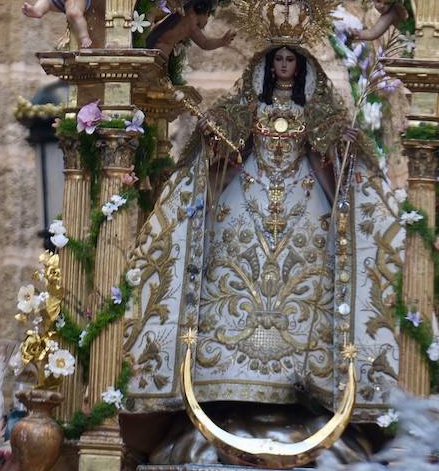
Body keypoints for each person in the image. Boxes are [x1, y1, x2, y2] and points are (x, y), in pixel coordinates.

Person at [126, 42, 404, 419]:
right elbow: (224, 152)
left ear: (300, 67)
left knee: (302, 284)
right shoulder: (248, 107)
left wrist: (344, 154)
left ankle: (307, 380)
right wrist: (212, 137)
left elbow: (328, 163)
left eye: (291, 60)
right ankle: (225, 376)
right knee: (234, 279)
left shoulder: (315, 111)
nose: (285, 65)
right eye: (279, 59)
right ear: (269, 66)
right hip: (247, 200)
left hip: (303, 205)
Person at [145, 0, 236, 61]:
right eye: (207, 15)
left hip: (155, 52)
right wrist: (222, 41)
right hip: (156, 56)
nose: (207, 19)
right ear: (202, 12)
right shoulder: (190, 23)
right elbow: (205, 43)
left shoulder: (183, 15)